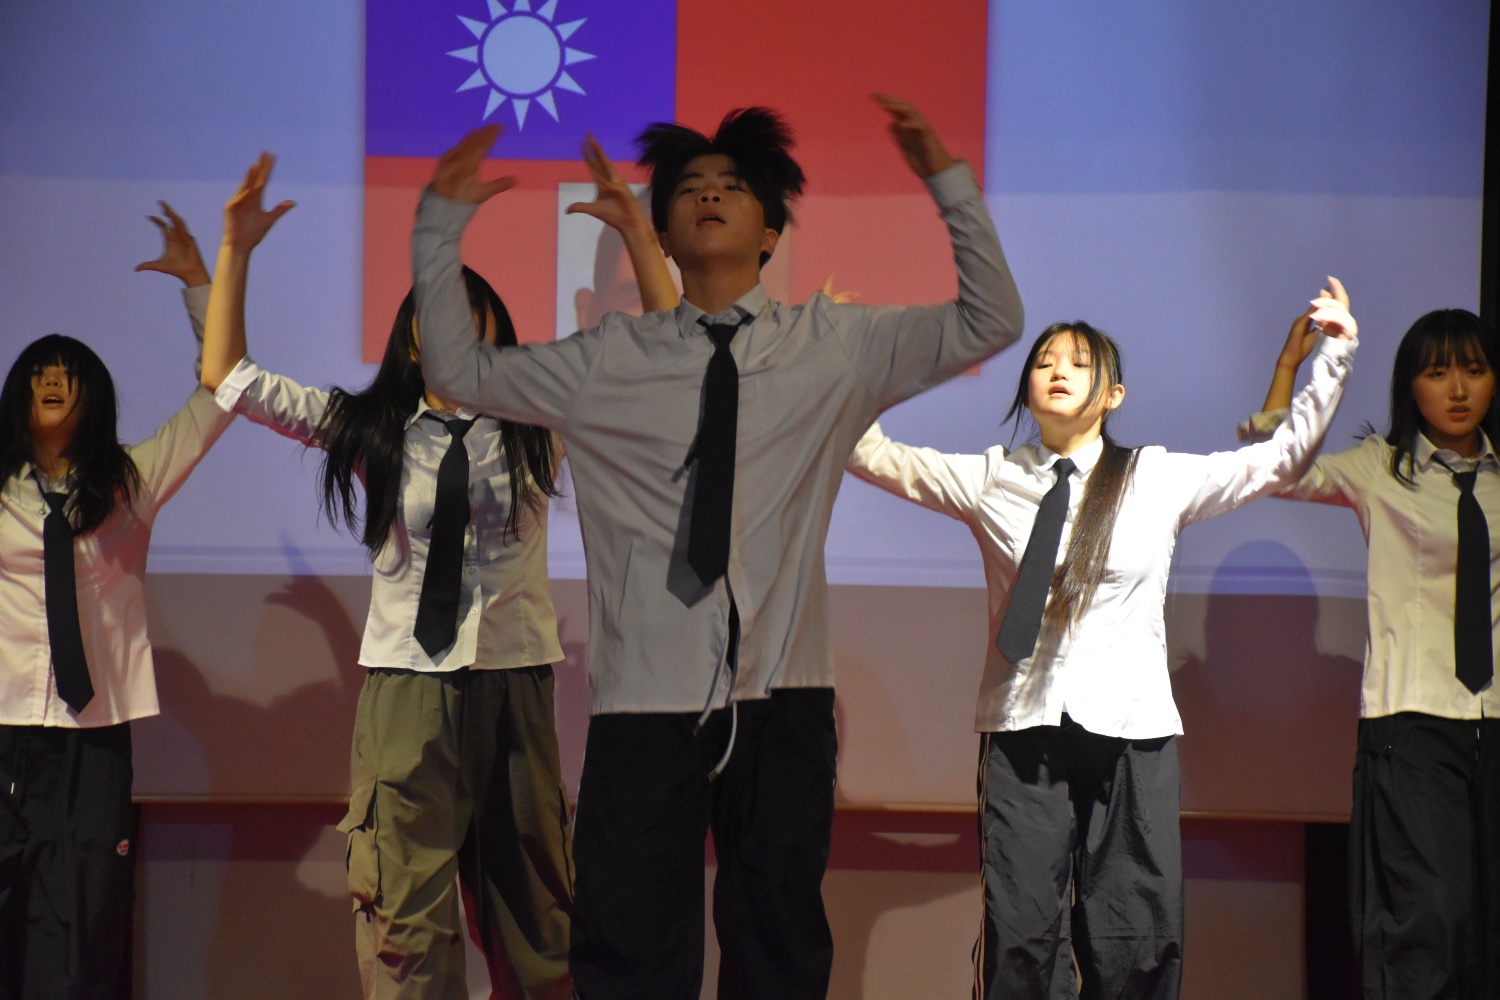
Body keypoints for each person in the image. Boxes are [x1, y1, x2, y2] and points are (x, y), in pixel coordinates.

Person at [411, 96, 1024, 999]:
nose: (709, 195)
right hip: (642, 702)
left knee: (777, 948)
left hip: (785, 697)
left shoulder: (834, 346)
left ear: (770, 231)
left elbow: (992, 320)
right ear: (661, 231)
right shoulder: (607, 358)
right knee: (628, 954)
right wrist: (436, 228)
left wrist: (947, 184)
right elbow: (456, 369)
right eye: (689, 186)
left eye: (733, 186)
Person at [194, 146, 665, 1000]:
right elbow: (229, 379)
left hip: (514, 685)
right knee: (406, 931)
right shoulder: (374, 427)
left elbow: (666, 359)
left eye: (468, 311)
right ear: (412, 334)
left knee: (539, 926)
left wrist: (639, 236)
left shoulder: (541, 419)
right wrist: (235, 248)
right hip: (407, 693)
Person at [846, 286, 1358, 1000]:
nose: (1058, 369)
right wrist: (849, 359)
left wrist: (1335, 353)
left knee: (1135, 934)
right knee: (1021, 935)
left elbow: (1282, 459)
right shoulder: (991, 478)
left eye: (1079, 363)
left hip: (1131, 733)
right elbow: (868, 453)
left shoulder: (1156, 477)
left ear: (1113, 394)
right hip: (1022, 730)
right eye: (1044, 361)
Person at [0, 207, 235, 1000]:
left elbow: (220, 400)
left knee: (87, 918)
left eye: (65, 371)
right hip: (4, 729)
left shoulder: (130, 483)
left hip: (93, 739)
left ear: (92, 393)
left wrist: (200, 285)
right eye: (38, 370)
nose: (50, 379)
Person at [1239, 306, 1498, 1000]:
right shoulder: (1381, 468)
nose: (1458, 389)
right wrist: (1289, 368)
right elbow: (1276, 470)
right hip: (1412, 727)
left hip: (1496, 723)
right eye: (1437, 372)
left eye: (1474, 371)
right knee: (1428, 922)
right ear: (1410, 384)